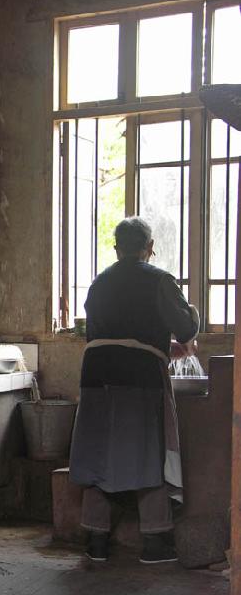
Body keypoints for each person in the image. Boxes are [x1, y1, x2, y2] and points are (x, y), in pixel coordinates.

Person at [69, 216, 199, 564]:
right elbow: (185, 327)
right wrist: (191, 319)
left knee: (99, 451)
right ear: (150, 248)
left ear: (116, 248)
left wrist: (156, 345)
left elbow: (107, 335)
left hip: (96, 374)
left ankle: (95, 541)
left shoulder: (98, 283)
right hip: (138, 377)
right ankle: (155, 543)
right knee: (148, 451)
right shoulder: (159, 280)